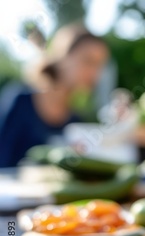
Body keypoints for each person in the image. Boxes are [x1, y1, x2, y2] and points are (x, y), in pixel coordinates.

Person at [0, 24, 109, 167]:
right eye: (88, 61)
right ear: (63, 57)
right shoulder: (20, 102)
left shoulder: (76, 121)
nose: (95, 73)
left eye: (100, 65)